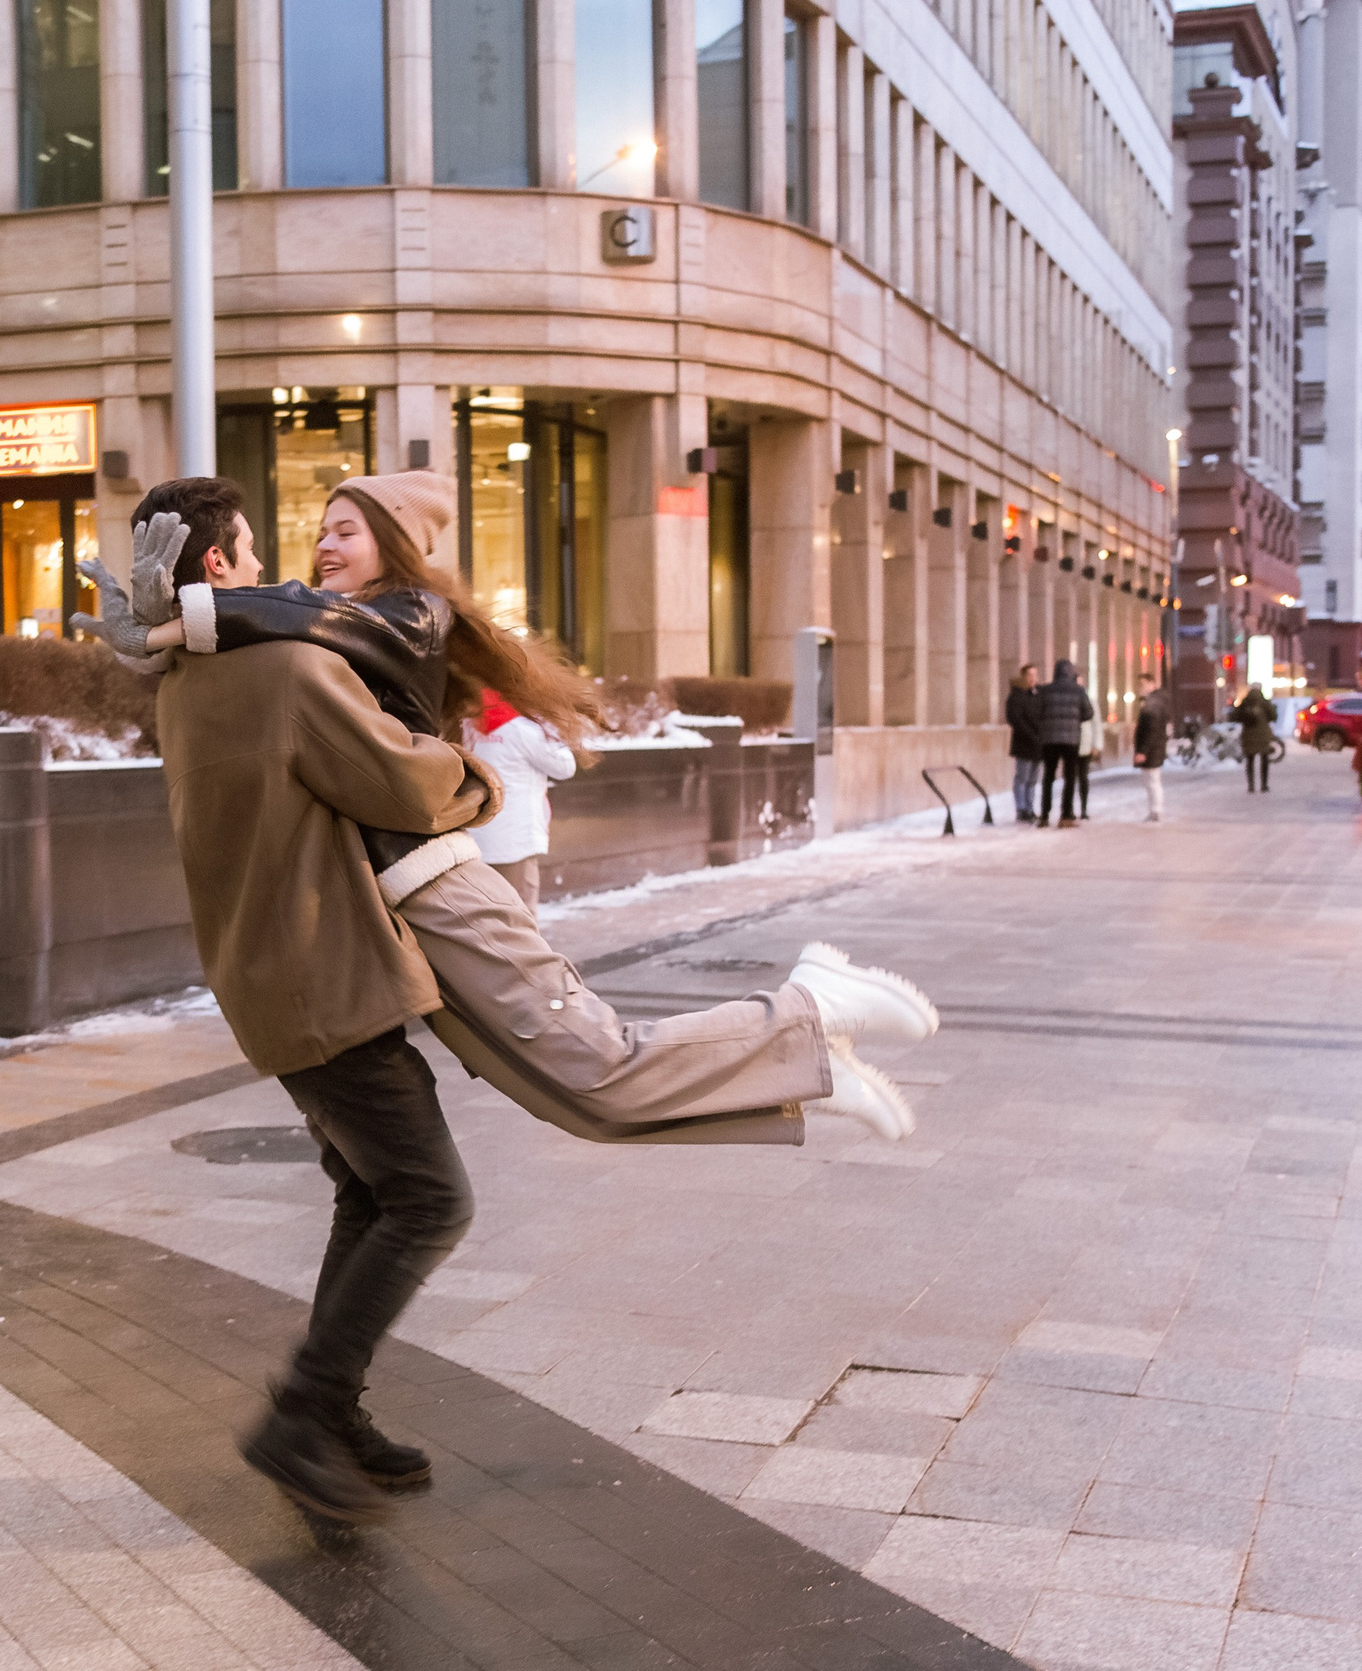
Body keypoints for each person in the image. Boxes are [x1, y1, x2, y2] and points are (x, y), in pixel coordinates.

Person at [80, 477, 937, 1524]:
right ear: (218, 566)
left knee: (374, 1191)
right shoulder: (287, 670)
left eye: (329, 533)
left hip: (274, 981)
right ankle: (303, 1413)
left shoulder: (186, 682)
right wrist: (480, 783)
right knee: (431, 1199)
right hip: (327, 978)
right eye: (258, 550)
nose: (280, 566)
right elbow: (403, 784)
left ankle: (328, 1412)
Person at [465, 687, 573, 907]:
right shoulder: (523, 730)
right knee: (520, 919)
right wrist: (550, 726)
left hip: (474, 840)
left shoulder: (467, 727)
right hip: (516, 842)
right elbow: (565, 766)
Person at [1033, 659, 1093, 828]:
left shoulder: (1045, 690)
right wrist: (1074, 719)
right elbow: (1088, 713)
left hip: (1049, 739)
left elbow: (1038, 712)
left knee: (1048, 777)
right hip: (1071, 740)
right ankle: (1066, 815)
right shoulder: (1079, 691)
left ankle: (1044, 815)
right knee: (1069, 778)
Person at [1004, 665, 1043, 823]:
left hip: (1038, 744)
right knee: (1023, 777)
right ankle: (1021, 809)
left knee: (1033, 779)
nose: (1032, 678)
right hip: (1024, 743)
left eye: (1035, 674)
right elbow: (1015, 719)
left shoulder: (1039, 694)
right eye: (1029, 675)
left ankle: (1030, 808)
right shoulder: (1016, 696)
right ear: (1023, 677)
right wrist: (1031, 734)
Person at [1132, 673, 1170, 822]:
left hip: (1152, 748)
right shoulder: (1157, 701)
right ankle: (1155, 810)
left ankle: (1155, 811)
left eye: (1142, 684)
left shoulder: (1153, 703)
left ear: (1151, 683)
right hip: (1155, 747)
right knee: (1151, 780)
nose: (1140, 688)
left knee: (1152, 780)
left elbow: (1151, 729)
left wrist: (1143, 751)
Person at [1231, 684, 1276, 793]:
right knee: (1264, 760)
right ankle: (1264, 785)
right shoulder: (1265, 703)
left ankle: (1251, 786)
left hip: (1248, 735)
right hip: (1263, 735)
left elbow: (1235, 716)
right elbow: (1273, 716)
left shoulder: (1245, 702)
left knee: (1250, 760)